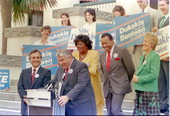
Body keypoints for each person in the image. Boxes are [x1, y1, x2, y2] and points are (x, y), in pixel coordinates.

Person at [49, 49, 96, 115]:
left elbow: (81, 84)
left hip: (81, 106)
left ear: (70, 57)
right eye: (59, 61)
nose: (60, 63)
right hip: (67, 107)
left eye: (62, 60)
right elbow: (55, 81)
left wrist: (68, 96)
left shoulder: (81, 66)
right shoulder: (61, 67)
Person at [100, 33, 135, 115]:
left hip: (119, 85)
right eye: (102, 44)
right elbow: (104, 71)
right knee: (109, 112)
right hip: (108, 87)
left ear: (112, 41)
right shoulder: (102, 56)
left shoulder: (122, 51)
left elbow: (131, 69)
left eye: (106, 43)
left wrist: (124, 81)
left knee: (116, 110)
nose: (104, 45)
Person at [72, 34, 105, 115]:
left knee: (96, 111)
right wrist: (85, 66)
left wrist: (78, 69)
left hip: (92, 87)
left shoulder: (94, 53)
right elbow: (71, 70)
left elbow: (93, 70)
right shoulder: (74, 55)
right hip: (79, 88)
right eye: (77, 44)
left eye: (80, 44)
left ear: (86, 44)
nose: (78, 46)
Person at [132, 32, 160, 115]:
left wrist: (138, 79)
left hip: (149, 92)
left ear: (152, 44)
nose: (143, 43)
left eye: (146, 41)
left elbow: (154, 75)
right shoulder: (142, 57)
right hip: (140, 90)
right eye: (143, 41)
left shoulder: (155, 56)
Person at [17, 49, 51, 115]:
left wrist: (33, 97)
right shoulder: (24, 72)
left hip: (38, 105)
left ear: (41, 59)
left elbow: (45, 88)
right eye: (33, 58)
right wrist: (25, 97)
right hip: (25, 104)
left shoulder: (46, 72)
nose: (35, 59)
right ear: (30, 59)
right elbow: (20, 86)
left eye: (38, 57)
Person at [152, 0, 169, 113]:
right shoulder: (159, 20)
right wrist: (155, 31)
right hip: (161, 54)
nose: (161, 7)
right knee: (161, 80)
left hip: (169, 55)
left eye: (163, 5)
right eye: (160, 5)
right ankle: (163, 103)